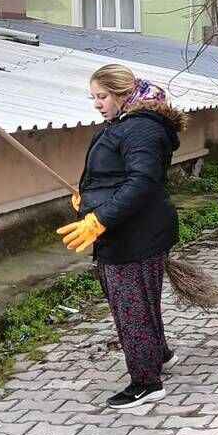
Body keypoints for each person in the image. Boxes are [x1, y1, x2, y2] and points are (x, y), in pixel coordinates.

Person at [59, 64, 183, 409]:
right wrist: (89, 195)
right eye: (94, 97)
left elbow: (142, 183)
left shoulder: (139, 129)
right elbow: (115, 175)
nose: (97, 104)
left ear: (123, 94)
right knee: (141, 303)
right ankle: (158, 354)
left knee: (131, 309)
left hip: (134, 233)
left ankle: (146, 382)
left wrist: (99, 218)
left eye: (102, 96)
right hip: (131, 230)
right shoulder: (124, 125)